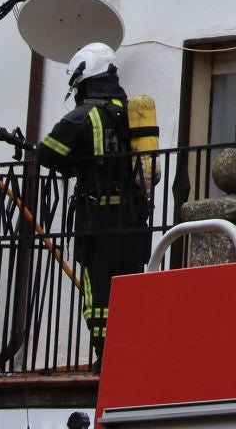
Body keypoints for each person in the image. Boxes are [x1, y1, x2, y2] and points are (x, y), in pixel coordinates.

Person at [36, 42, 151, 366]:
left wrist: (74, 165)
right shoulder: (132, 114)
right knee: (129, 289)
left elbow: (47, 152)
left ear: (84, 80)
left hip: (98, 220)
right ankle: (129, 354)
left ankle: (106, 358)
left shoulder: (85, 116)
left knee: (97, 293)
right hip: (133, 220)